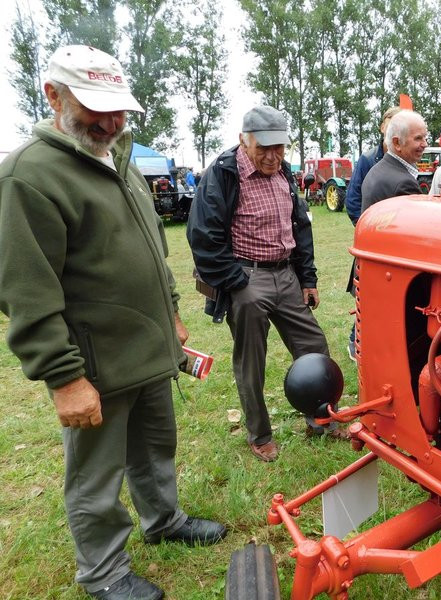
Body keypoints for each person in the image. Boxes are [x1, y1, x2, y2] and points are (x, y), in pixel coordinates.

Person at [0, 45, 225, 600]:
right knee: (95, 476)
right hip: (95, 363)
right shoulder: (28, 176)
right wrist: (64, 377)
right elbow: (26, 291)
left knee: (155, 446)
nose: (110, 121)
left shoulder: (119, 159)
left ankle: (163, 520)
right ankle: (102, 572)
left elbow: (152, 250)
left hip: (149, 347)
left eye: (118, 108)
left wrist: (172, 313)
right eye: (94, 107)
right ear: (53, 96)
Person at [187, 105, 345, 465]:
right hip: (247, 276)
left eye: (280, 148)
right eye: (265, 148)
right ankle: (260, 434)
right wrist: (237, 282)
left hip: (286, 274)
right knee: (251, 362)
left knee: (314, 345)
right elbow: (203, 236)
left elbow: (299, 227)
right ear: (244, 140)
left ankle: (321, 419)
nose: (273, 156)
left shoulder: (284, 172)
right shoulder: (223, 173)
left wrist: (307, 278)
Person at [343, 106, 400, 360]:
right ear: (382, 127)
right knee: (367, 291)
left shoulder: (406, 159)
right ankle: (355, 340)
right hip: (374, 240)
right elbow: (353, 199)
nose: (394, 126)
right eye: (390, 121)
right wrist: (367, 230)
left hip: (396, 240)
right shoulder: (368, 159)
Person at [361, 109, 428, 212]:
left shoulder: (375, 171)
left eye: (425, 138)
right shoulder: (404, 184)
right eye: (418, 138)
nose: (425, 144)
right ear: (397, 143)